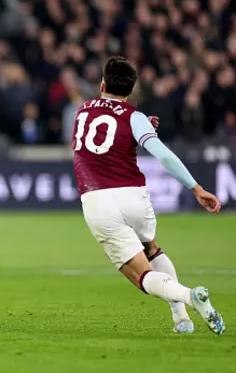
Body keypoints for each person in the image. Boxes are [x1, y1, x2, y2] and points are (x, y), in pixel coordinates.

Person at [72, 56, 225, 335]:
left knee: (142, 276)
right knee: (152, 249)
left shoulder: (82, 110)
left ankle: (190, 297)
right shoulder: (134, 116)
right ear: (131, 91)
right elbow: (162, 155)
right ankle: (181, 320)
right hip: (134, 196)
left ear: (102, 83)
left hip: (97, 200)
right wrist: (196, 188)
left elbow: (103, 136)